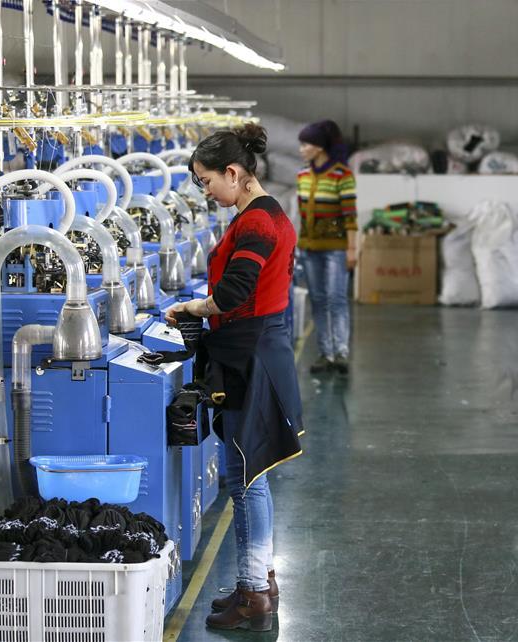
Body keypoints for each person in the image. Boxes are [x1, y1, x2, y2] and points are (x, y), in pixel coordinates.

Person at [167, 123, 304, 632]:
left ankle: (253, 597)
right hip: (253, 349)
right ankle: (256, 581)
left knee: (244, 480)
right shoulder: (259, 216)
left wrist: (190, 307)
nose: (205, 192)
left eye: (206, 181)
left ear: (234, 173)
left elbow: (233, 294)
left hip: (252, 355)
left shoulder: (256, 225)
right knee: (247, 476)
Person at [296, 119, 357, 375]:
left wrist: (352, 249)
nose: (302, 149)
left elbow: (350, 216)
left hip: (336, 248)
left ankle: (340, 353)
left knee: (336, 299)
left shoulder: (342, 176)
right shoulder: (303, 176)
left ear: (320, 148)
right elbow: (301, 215)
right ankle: (325, 353)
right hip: (310, 248)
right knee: (319, 301)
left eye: (306, 144)